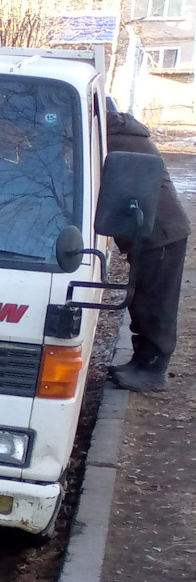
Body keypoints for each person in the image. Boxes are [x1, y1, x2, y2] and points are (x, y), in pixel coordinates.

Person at [106, 99, 189, 392]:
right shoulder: (121, 133)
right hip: (148, 230)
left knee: (156, 304)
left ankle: (153, 371)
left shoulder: (114, 140)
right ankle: (141, 362)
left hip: (161, 234)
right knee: (142, 301)